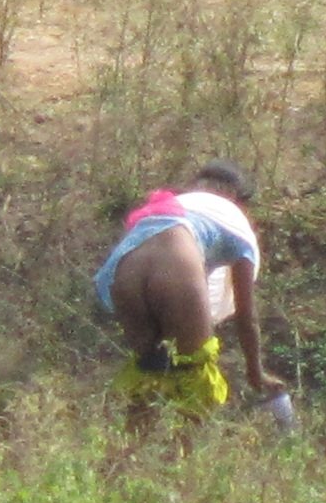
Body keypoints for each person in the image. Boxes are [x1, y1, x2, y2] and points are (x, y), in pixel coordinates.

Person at [94, 160, 285, 433]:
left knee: (148, 372)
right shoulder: (234, 220)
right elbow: (246, 315)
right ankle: (181, 465)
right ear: (235, 197)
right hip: (176, 262)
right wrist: (256, 372)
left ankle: (126, 462)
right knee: (194, 377)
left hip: (125, 268)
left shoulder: (172, 206)